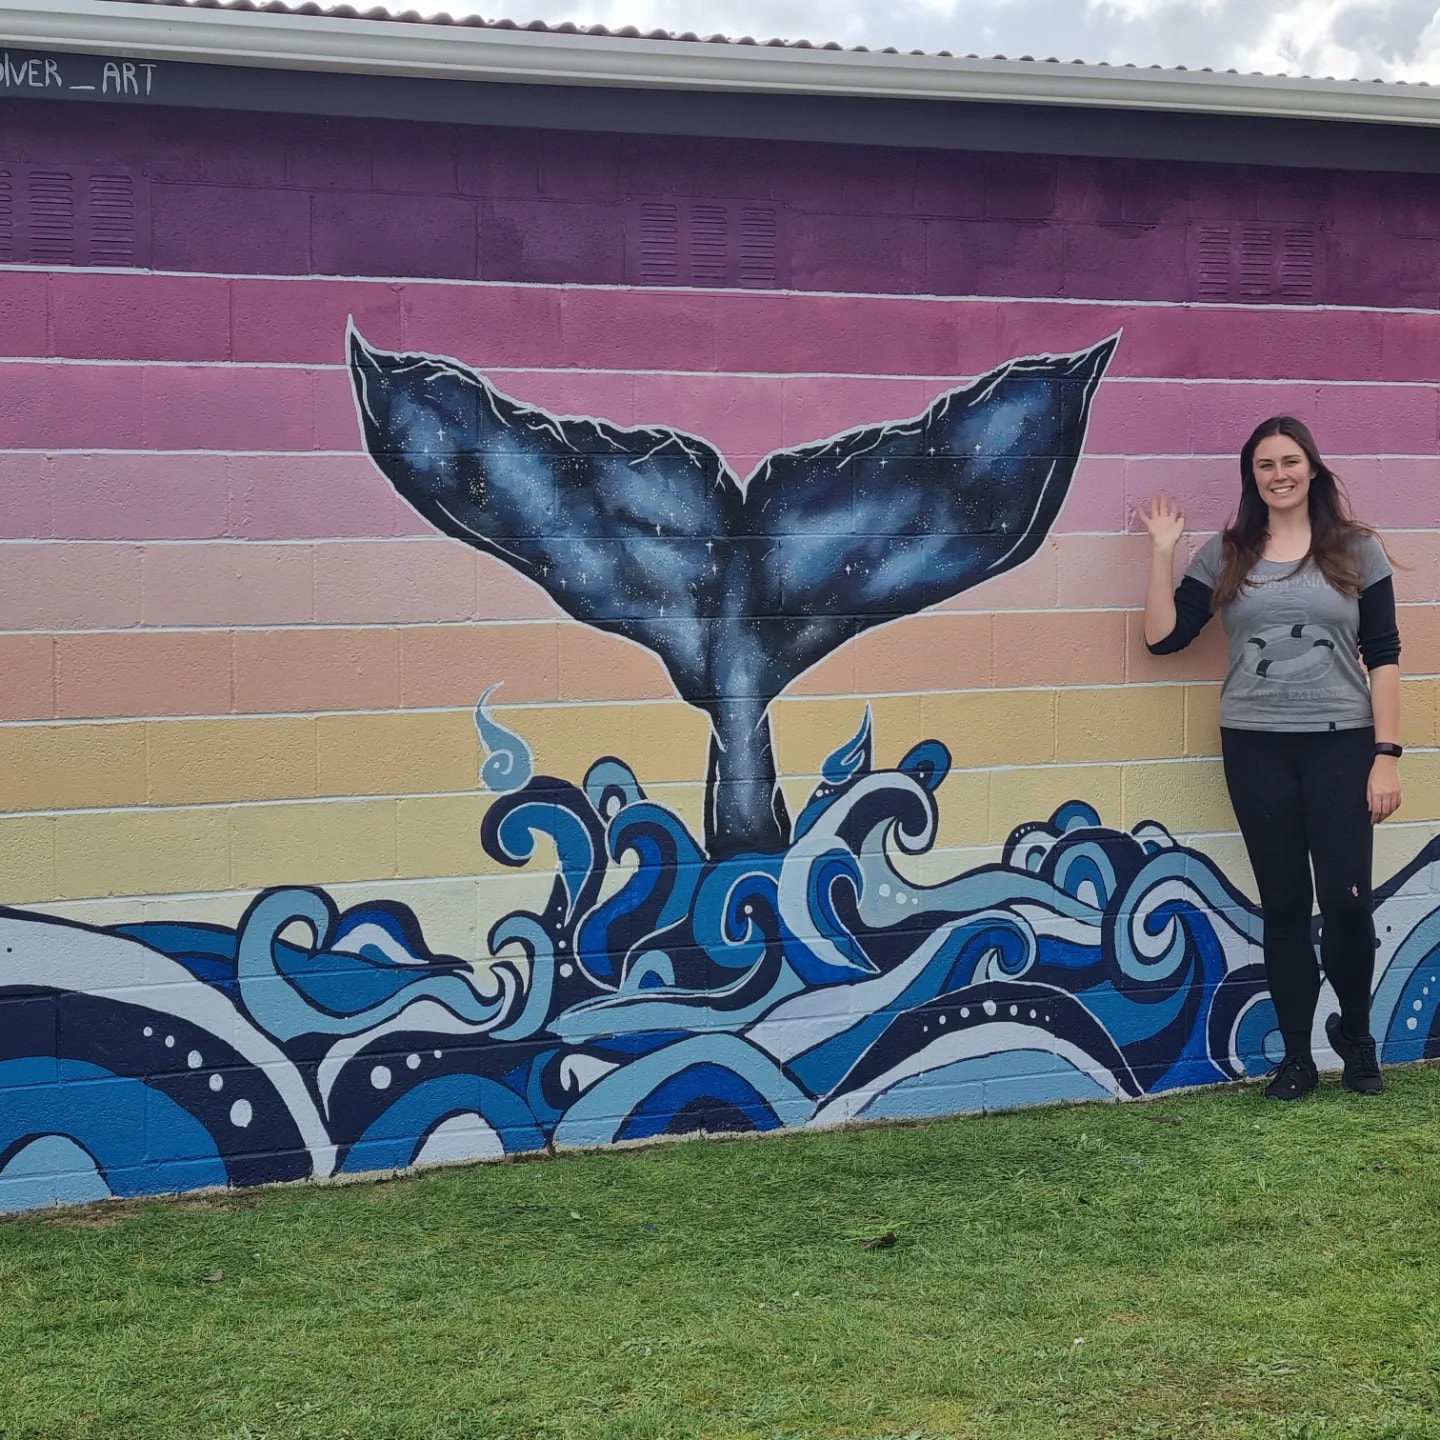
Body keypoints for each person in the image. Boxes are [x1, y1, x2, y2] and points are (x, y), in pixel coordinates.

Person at [1138, 416, 1402, 1101]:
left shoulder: (1356, 551)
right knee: (1283, 903)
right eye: (1264, 465)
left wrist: (1387, 756)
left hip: (1343, 744)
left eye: (1290, 461)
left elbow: (1385, 657)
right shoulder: (1227, 556)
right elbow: (1164, 641)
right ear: (1251, 477)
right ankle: (1296, 1059)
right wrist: (1163, 552)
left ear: (1312, 468)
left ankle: (1358, 1036)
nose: (1278, 474)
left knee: (1347, 904)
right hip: (1254, 745)